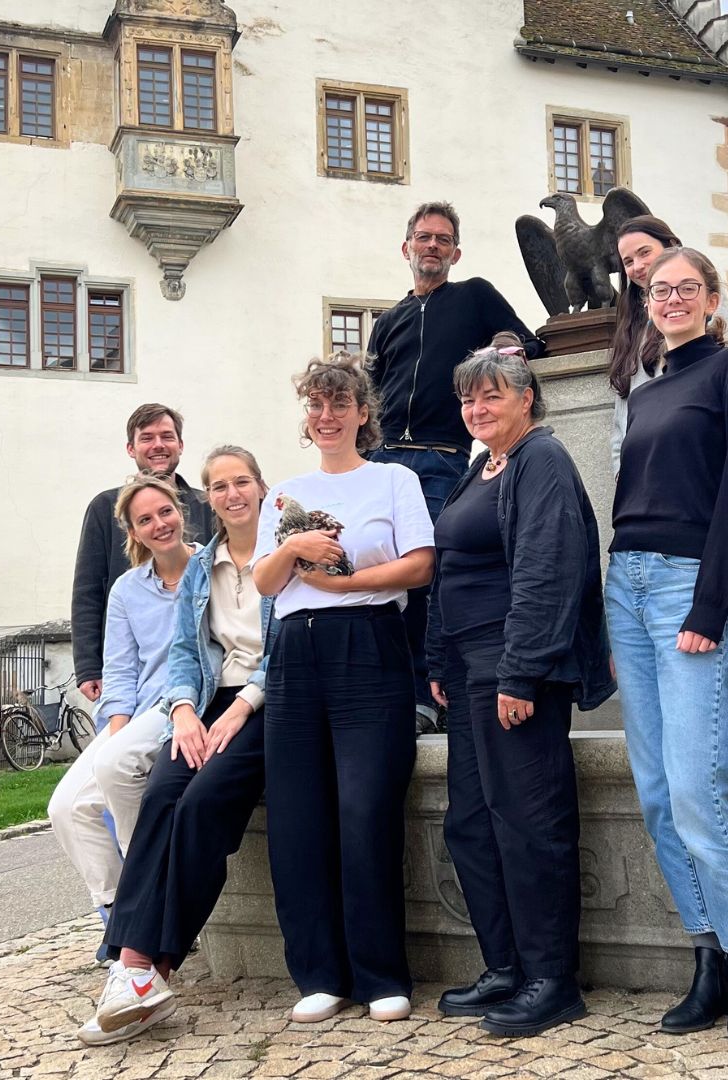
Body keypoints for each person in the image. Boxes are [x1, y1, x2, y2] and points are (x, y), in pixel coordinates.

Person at [604, 247, 728, 1044]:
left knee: (697, 791)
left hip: (687, 589)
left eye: (686, 289)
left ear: (712, 301)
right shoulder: (645, 392)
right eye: (658, 290)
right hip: (628, 589)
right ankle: (705, 957)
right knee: (652, 793)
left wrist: (711, 606)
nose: (670, 298)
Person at [426, 334, 615, 1038]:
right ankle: (505, 966)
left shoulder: (543, 459)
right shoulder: (484, 466)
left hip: (514, 666)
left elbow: (547, 566)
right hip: (471, 669)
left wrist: (522, 670)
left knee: (530, 825)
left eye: (492, 393)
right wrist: (440, 661)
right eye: (468, 396)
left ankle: (551, 981)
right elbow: (448, 569)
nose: (477, 406)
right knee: (472, 823)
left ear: (526, 397)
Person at [254, 355, 434, 1024]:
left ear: (362, 413)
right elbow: (266, 584)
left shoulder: (394, 479)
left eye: (339, 404)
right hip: (295, 653)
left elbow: (418, 567)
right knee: (299, 816)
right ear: (307, 418)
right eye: (316, 405)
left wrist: (344, 584)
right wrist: (296, 548)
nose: (326, 415)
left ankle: (381, 972)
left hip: (368, 643)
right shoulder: (287, 489)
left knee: (365, 811)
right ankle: (319, 975)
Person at [79, 446, 271, 1046]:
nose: (231, 493)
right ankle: (133, 969)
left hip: (268, 703)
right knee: (162, 793)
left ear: (262, 488)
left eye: (241, 482)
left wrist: (241, 708)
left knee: (198, 807)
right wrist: (184, 709)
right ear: (207, 499)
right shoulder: (201, 568)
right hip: (208, 701)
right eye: (219, 485)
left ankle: (148, 973)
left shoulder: (282, 552)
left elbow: (289, 646)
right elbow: (188, 654)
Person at [367, 201, 544, 733]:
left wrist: (504, 350)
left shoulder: (474, 296)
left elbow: (525, 344)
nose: (433, 247)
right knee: (378, 574)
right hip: (382, 459)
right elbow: (370, 393)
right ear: (407, 247)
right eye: (424, 238)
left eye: (443, 240)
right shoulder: (388, 321)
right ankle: (388, 691)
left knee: (428, 575)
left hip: (441, 456)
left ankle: (427, 697)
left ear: (455, 252)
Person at [49, 475, 197, 932]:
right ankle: (118, 912)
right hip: (135, 713)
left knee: (116, 766)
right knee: (67, 807)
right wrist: (114, 730)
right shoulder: (128, 590)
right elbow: (119, 671)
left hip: (185, 703)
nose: (159, 524)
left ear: (180, 512)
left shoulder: (211, 569)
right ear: (133, 533)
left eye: (165, 512)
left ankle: (150, 906)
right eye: (145, 519)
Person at [72, 403, 214, 706]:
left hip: (198, 666)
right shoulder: (105, 508)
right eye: (147, 438)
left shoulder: (208, 506)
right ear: (130, 448)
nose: (159, 445)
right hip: (129, 666)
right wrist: (88, 666)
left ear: (180, 445)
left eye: (167, 436)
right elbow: (87, 590)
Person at [609, 215, 728, 478]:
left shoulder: (699, 301)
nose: (638, 265)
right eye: (628, 261)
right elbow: (622, 408)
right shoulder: (631, 321)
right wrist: (622, 471)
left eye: (644, 252)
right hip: (645, 470)